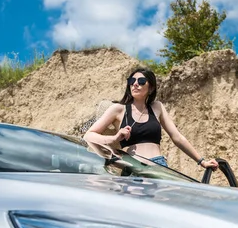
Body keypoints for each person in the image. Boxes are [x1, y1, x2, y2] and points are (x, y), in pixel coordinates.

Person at [83, 67, 219, 171]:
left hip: (158, 166)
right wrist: (114, 139)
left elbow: (177, 137)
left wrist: (202, 162)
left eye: (141, 81)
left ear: (151, 87)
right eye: (132, 81)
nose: (135, 84)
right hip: (132, 166)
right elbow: (89, 135)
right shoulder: (119, 109)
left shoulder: (157, 107)